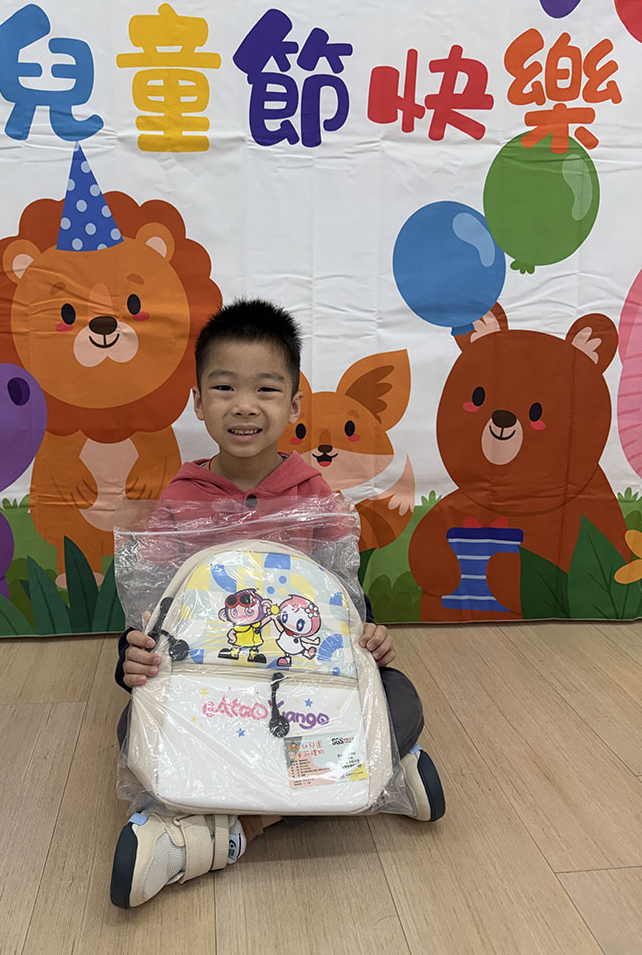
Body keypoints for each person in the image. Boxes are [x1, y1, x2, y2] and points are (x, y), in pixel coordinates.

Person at [111, 298, 445, 909]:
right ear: (198, 401)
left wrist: (369, 635)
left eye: (266, 389)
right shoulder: (182, 496)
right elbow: (153, 605)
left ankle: (220, 830)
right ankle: (373, 777)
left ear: (293, 405)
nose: (244, 405)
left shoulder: (313, 493)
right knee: (134, 728)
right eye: (224, 387)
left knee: (399, 696)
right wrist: (131, 655)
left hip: (306, 678)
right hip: (213, 682)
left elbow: (343, 592)